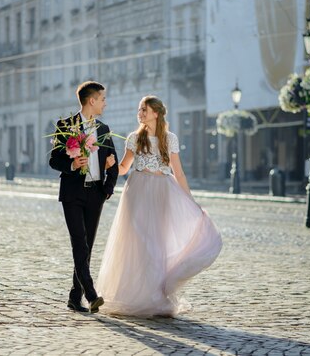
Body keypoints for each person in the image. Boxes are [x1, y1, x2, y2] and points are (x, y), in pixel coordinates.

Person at [96, 95, 222, 317]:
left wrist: (191, 201)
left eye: (144, 109)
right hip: (137, 191)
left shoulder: (169, 138)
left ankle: (154, 297)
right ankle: (134, 294)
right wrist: (111, 164)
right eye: (139, 110)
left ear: (156, 112)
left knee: (156, 243)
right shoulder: (134, 137)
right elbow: (125, 167)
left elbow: (178, 172)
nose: (140, 113)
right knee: (138, 242)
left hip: (162, 190)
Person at [49, 81, 119, 314]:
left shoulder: (104, 129)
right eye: (103, 99)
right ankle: (90, 293)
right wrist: (71, 163)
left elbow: (114, 164)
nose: (105, 103)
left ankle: (73, 296)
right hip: (72, 193)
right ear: (91, 100)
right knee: (79, 244)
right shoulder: (65, 125)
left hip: (95, 195)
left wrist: (108, 188)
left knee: (86, 247)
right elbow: (53, 160)